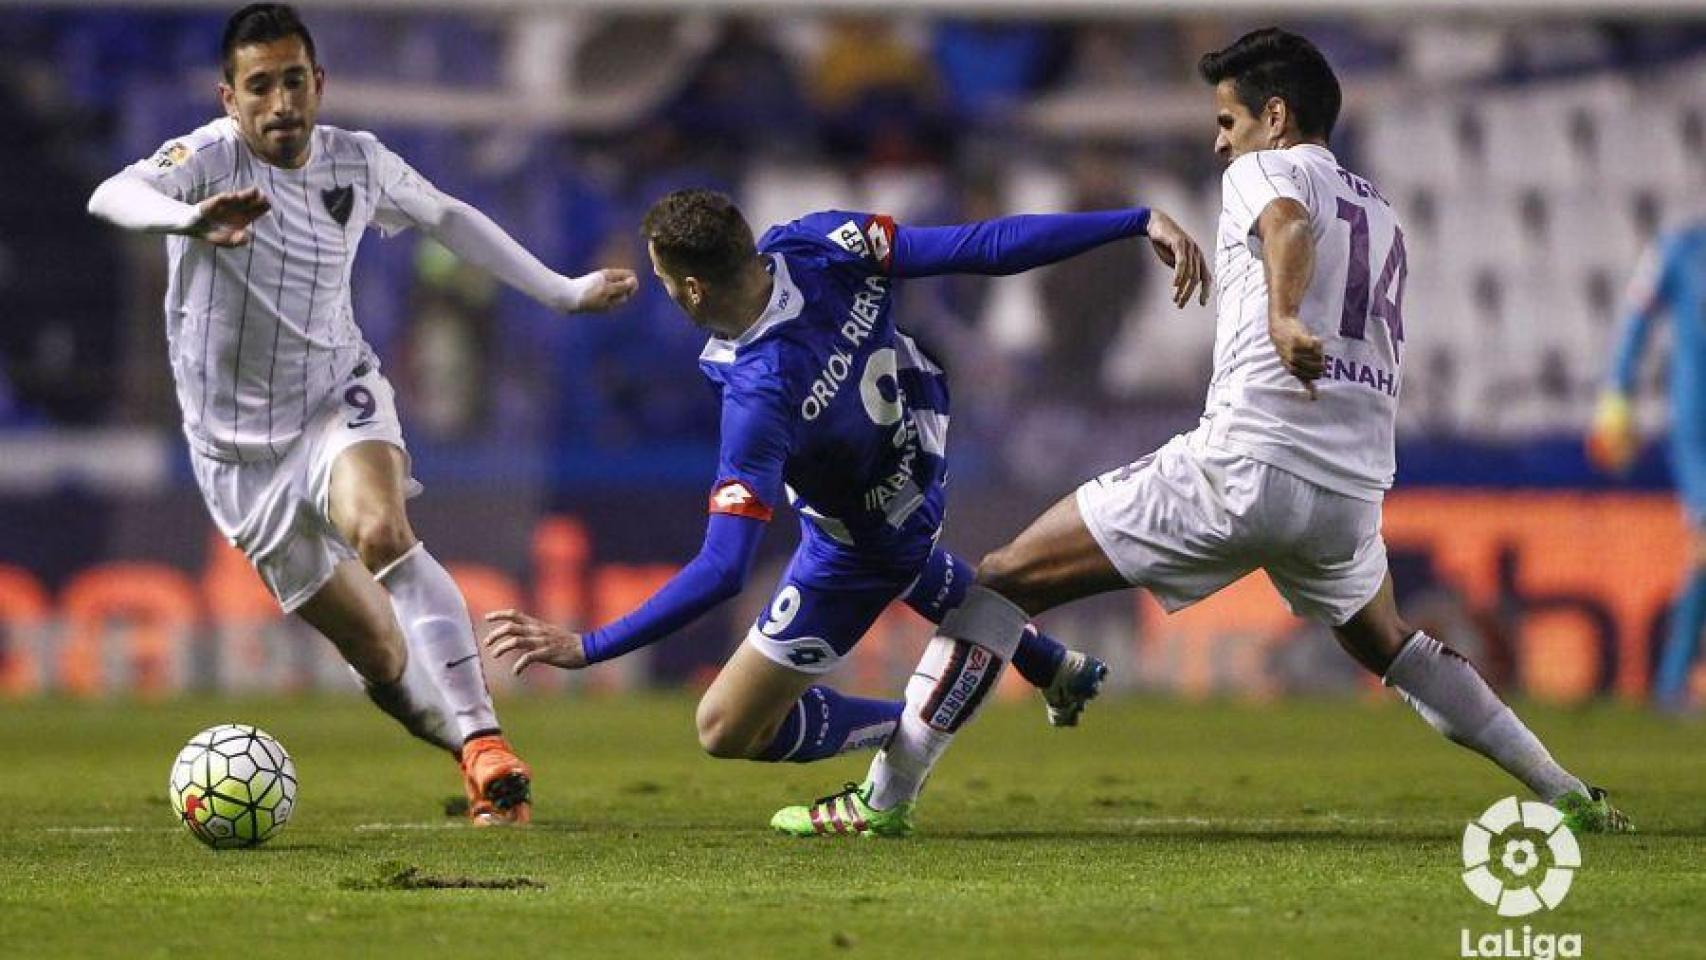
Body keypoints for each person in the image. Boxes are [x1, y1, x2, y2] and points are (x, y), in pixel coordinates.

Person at [775, 28, 1632, 837]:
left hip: (1247, 463)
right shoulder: (1385, 217)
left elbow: (1285, 223)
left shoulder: (1267, 173)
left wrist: (1286, 316)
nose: (1221, 143)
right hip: (1348, 491)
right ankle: (1568, 793)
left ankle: (883, 801)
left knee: (999, 584)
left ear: (1276, 116)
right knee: (1391, 644)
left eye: (1228, 120)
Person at [85, 3, 638, 824]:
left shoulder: (358, 162)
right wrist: (187, 218)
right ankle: (471, 759)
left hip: (334, 400)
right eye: (261, 87)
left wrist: (561, 290)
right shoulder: (204, 161)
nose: (281, 103)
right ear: (229, 98)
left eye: (295, 81)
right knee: (377, 650)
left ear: (320, 84)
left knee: (380, 530)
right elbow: (113, 194)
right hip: (238, 462)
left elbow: (449, 216)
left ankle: (486, 737)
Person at [483, 188, 1210, 805]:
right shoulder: (820, 241)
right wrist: (1131, 219)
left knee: (726, 728)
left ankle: (917, 717)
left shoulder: (758, 393)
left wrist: (588, 645)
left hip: (858, 539)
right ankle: (1050, 664)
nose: (667, 294)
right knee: (866, 522)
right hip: (917, 440)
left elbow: (722, 568)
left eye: (666, 282)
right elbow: (979, 246)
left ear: (692, 289)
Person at [1588, 224, 1706, 711]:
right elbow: (1637, 320)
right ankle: (1672, 682)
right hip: (1696, 421)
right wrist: (1618, 392)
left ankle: (1673, 682)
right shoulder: (1679, 250)